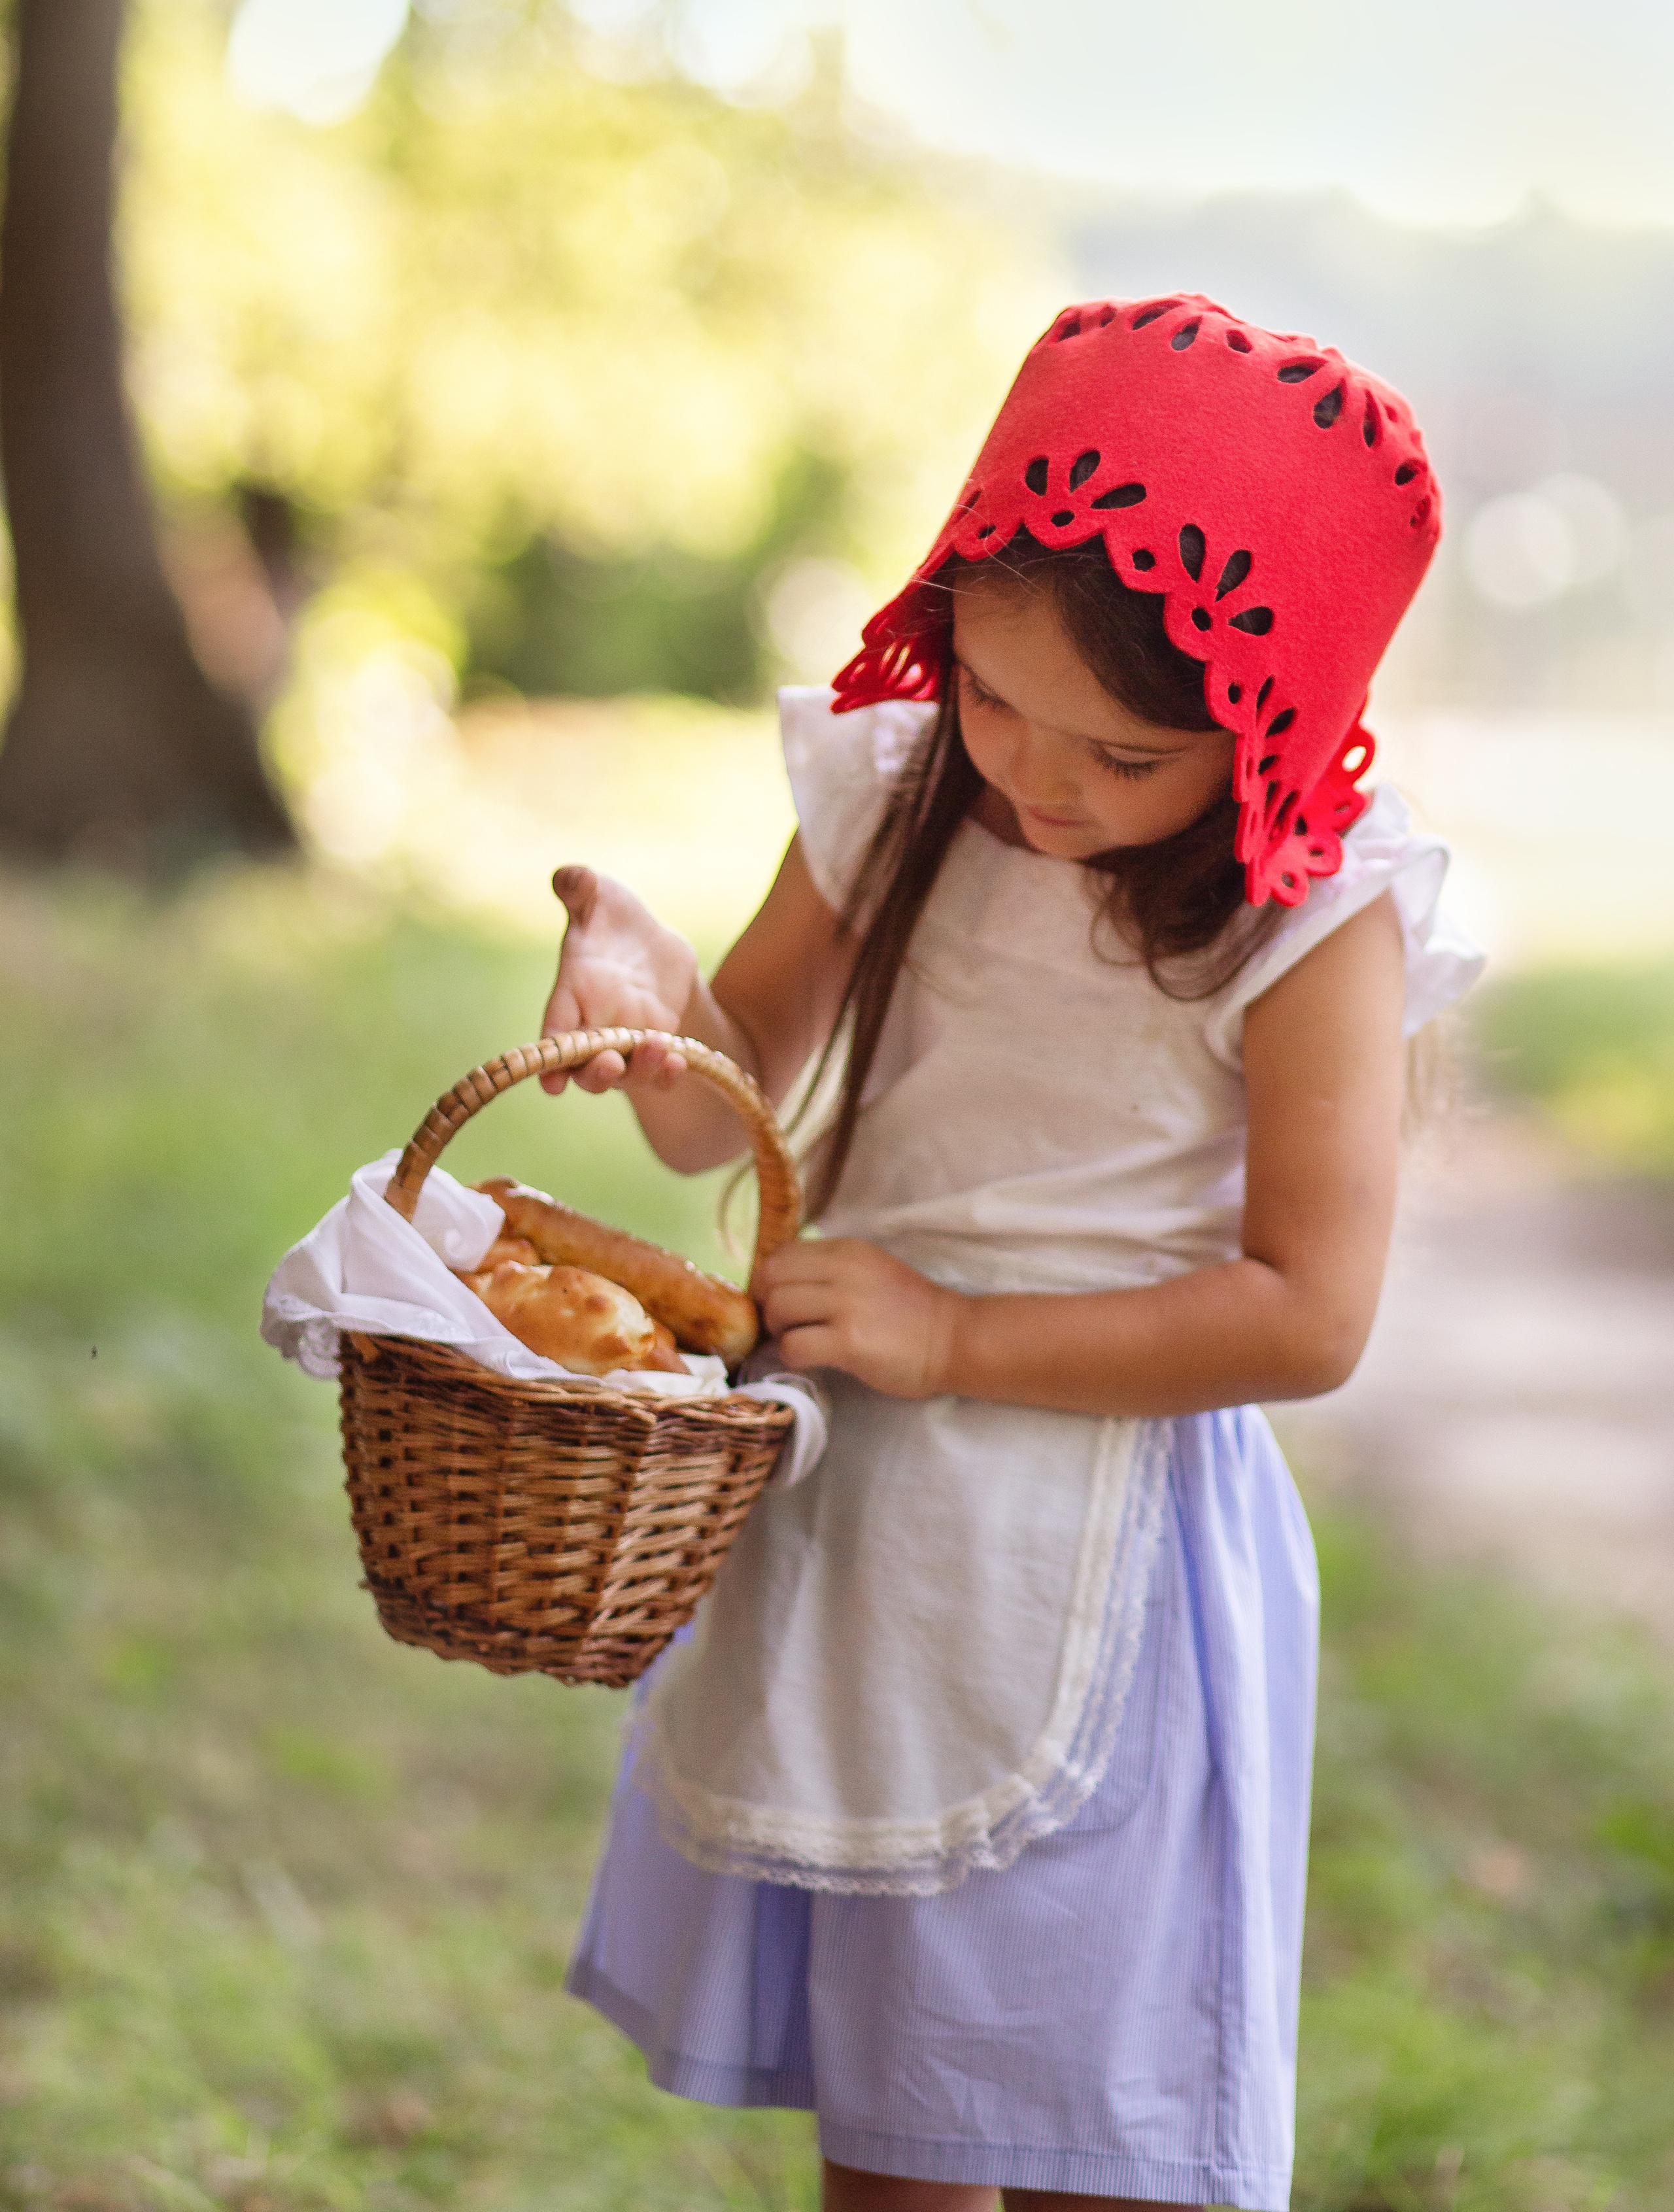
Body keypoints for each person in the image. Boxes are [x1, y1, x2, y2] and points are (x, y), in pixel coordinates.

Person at [543, 294, 1482, 2212]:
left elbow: (1309, 1315)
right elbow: (713, 1112)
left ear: (1267, 722)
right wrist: (652, 1006)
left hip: (1107, 1561)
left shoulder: (1312, 926)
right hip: (869, 1532)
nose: (1040, 785)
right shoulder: (899, 794)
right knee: (897, 2127)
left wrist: (956, 1332)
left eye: (1124, 758)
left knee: (1086, 2126)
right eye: (995, 702)